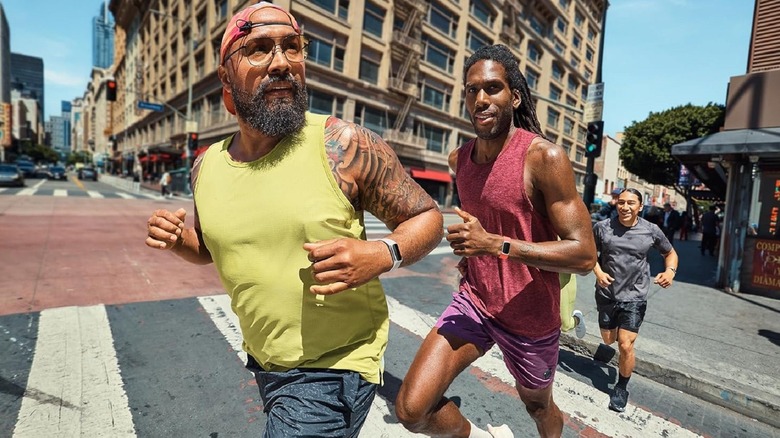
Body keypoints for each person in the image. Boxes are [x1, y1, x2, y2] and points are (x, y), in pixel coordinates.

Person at [144, 3, 444, 436]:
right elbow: (209, 249)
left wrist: (383, 253)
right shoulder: (205, 167)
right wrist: (179, 241)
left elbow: (426, 216)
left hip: (336, 366)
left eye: (292, 46)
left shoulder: (342, 144)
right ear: (226, 77)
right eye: (259, 48)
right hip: (265, 361)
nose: (282, 62)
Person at [395, 44, 597, 438]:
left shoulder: (544, 158)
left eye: (492, 88)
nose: (481, 99)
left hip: (530, 318)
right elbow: (483, 225)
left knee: (538, 407)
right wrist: (471, 251)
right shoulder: (459, 160)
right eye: (472, 90)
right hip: (476, 301)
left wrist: (495, 245)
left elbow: (585, 254)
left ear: (514, 97)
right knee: (411, 409)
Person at [592, 188, 678, 413]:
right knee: (609, 339)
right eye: (621, 202)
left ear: (640, 207)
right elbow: (590, 255)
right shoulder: (602, 227)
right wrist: (598, 272)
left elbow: (670, 253)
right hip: (607, 294)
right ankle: (609, 344)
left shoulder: (651, 230)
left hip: (635, 296)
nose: (625, 207)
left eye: (631, 203)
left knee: (625, 344)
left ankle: (621, 387)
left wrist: (670, 271)